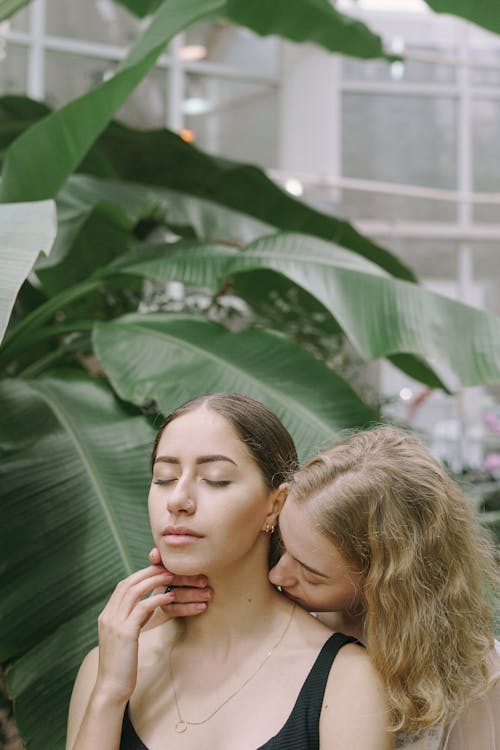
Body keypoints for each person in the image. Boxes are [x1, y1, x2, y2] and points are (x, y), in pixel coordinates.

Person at [65, 393, 393, 750]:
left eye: (216, 479)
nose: (177, 500)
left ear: (275, 505)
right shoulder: (107, 667)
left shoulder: (347, 679)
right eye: (163, 478)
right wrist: (109, 695)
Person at [152, 423, 499, 749]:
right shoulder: (284, 615)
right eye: (284, 546)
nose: (277, 575)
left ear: (382, 585)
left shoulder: (477, 679)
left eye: (312, 574)